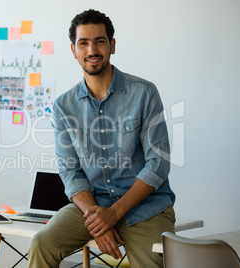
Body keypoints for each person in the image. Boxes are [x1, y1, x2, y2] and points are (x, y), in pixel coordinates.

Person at [28, 9, 175, 268]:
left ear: (112, 45)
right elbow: (71, 172)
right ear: (73, 50)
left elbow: (158, 164)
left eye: (99, 41)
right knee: (42, 244)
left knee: (152, 262)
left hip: (146, 208)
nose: (92, 50)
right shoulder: (63, 107)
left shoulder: (144, 93)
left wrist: (114, 214)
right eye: (83, 43)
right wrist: (97, 219)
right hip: (93, 205)